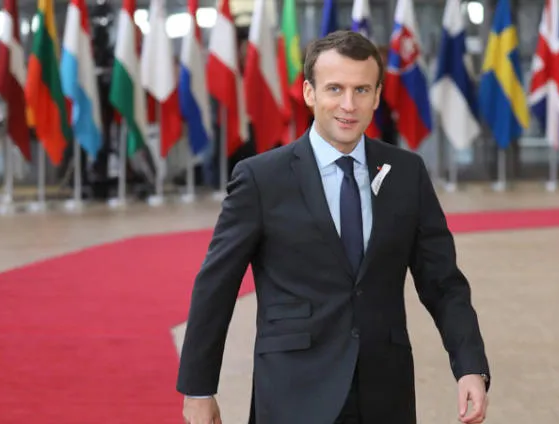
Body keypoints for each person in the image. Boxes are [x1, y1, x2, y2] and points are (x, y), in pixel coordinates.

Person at [176, 30, 490, 424]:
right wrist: (199, 390)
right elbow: (216, 287)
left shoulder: (406, 173)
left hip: (384, 392)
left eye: (361, 90)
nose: (348, 105)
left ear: (377, 96)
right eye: (335, 89)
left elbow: (443, 282)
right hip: (294, 393)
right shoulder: (261, 179)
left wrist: (469, 366)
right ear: (309, 92)